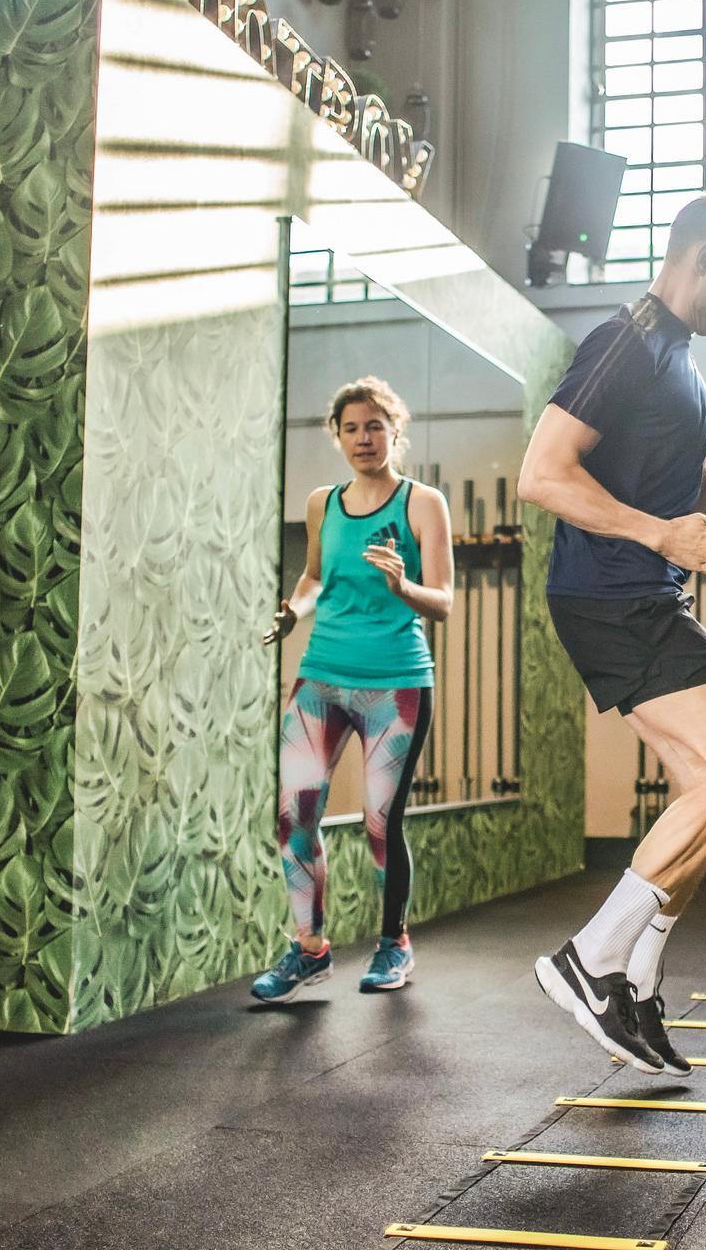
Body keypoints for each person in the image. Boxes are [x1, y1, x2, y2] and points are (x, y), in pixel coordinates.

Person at [517, 194, 706, 1074]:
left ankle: (638, 979)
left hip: (642, 590)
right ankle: (590, 959)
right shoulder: (626, 342)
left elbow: (703, 500)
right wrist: (658, 536)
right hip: (613, 593)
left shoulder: (680, 363)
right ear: (703, 257)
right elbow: (542, 474)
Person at [251, 376, 454, 1002]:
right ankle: (309, 950)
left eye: (374, 426)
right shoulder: (323, 503)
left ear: (395, 431)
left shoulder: (423, 503)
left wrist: (403, 589)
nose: (363, 439)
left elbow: (442, 600)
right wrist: (295, 610)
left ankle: (394, 943)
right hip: (321, 676)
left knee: (378, 822)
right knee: (293, 816)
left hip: (395, 682)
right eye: (351, 428)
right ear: (337, 436)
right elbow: (314, 576)